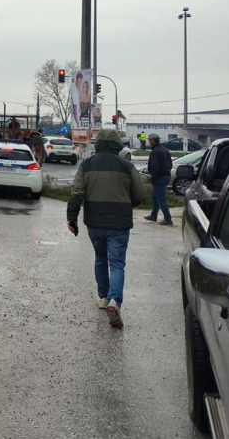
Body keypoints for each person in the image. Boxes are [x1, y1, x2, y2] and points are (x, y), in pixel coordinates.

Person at [67, 130, 146, 328]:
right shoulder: (127, 166)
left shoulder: (86, 165)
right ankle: (115, 301)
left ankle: (103, 298)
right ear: (118, 144)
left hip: (94, 222)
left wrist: (72, 218)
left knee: (100, 260)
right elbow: (139, 194)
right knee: (117, 263)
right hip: (119, 223)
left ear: (98, 144)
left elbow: (77, 193)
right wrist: (127, 205)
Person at [144, 133, 173, 226]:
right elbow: (170, 164)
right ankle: (153, 215)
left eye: (150, 140)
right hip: (166, 176)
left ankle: (168, 219)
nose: (149, 142)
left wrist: (153, 177)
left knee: (160, 198)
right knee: (155, 196)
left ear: (154, 140)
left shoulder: (155, 151)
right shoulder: (164, 149)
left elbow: (155, 166)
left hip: (159, 177)